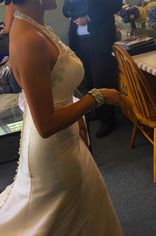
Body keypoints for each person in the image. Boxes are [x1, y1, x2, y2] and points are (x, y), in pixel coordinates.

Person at [0, 1, 127, 235]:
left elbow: (56, 89)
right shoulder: (29, 39)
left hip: (66, 137)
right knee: (58, 217)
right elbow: (46, 125)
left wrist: (78, 120)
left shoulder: (35, 24)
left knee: (76, 209)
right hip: (52, 147)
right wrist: (96, 97)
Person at [63, 0, 122, 138]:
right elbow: (65, 8)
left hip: (100, 38)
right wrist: (68, 10)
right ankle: (97, 110)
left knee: (102, 78)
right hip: (79, 40)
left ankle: (109, 119)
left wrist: (89, 18)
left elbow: (115, 4)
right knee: (89, 78)